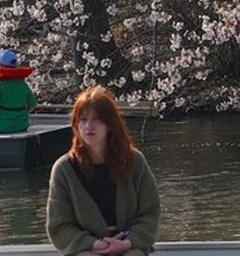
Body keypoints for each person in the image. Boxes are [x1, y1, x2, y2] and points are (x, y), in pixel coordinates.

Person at [46, 86, 159, 256]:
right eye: (83, 119)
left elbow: (149, 213)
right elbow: (59, 226)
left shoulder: (135, 162)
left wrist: (127, 243)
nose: (89, 126)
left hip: (130, 245)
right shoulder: (63, 169)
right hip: (86, 249)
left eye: (97, 119)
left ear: (110, 125)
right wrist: (95, 244)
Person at [0, 48, 37, 135]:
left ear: (1, 66)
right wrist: (22, 114)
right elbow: (33, 104)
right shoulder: (23, 85)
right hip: (22, 124)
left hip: (3, 125)